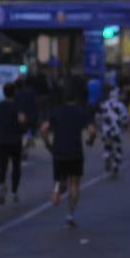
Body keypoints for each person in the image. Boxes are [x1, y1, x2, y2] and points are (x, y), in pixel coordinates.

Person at [41, 87, 97, 228]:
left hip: (59, 151)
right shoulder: (80, 113)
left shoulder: (57, 113)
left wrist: (48, 144)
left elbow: (43, 129)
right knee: (74, 184)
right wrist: (90, 141)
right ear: (76, 100)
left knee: (59, 178)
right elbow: (92, 130)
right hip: (75, 152)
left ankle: (55, 192)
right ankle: (70, 215)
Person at [0, 82, 28, 203]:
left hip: (2, 140)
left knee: (2, 166)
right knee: (16, 167)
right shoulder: (18, 106)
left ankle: (2, 185)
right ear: (14, 92)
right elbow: (22, 121)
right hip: (15, 140)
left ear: (3, 93)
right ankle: (14, 192)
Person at [96, 84, 130, 180]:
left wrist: (99, 127)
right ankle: (115, 164)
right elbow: (125, 118)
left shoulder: (103, 104)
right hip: (116, 130)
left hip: (106, 130)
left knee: (107, 146)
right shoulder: (121, 106)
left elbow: (98, 117)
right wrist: (125, 125)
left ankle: (107, 157)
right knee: (118, 147)